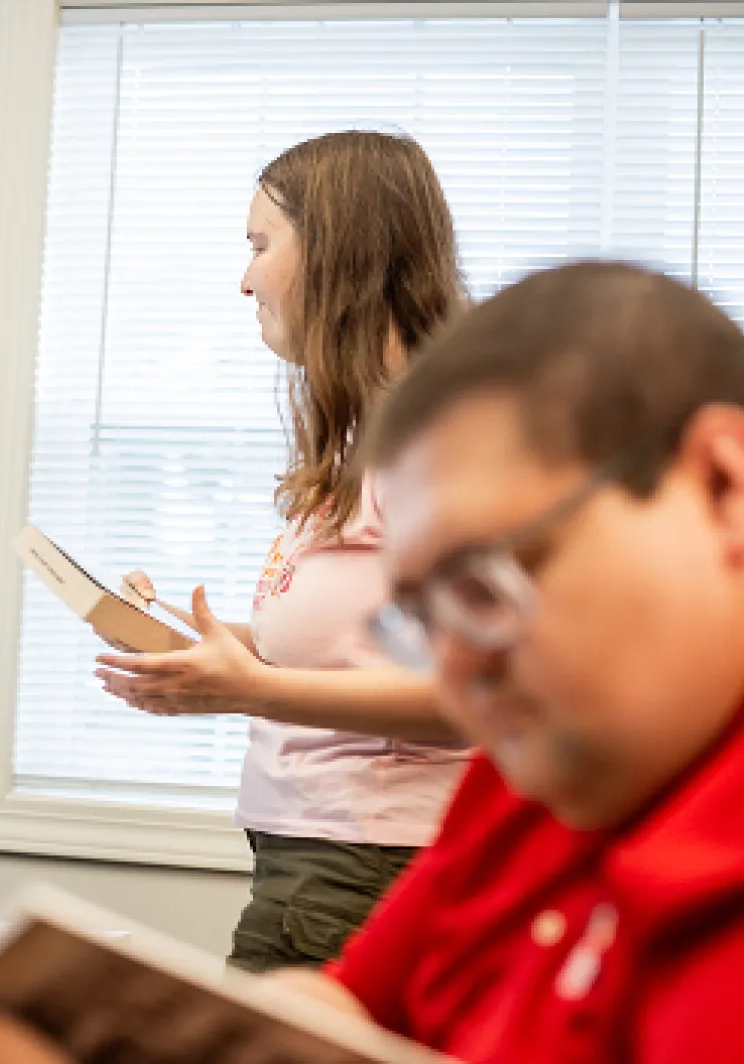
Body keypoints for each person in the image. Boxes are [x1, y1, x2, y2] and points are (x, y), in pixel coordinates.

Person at [0, 261, 744, 1063]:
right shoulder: (570, 733)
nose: (454, 679)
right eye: (418, 618)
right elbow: (357, 1007)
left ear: (723, 487)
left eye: (482, 587)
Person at [94, 130, 469, 972]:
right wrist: (197, 645)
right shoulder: (363, 440)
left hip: (365, 867)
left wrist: (249, 688)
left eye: (262, 245)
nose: (244, 278)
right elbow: (356, 654)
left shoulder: (434, 443)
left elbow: (472, 694)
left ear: (337, 254)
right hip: (316, 862)